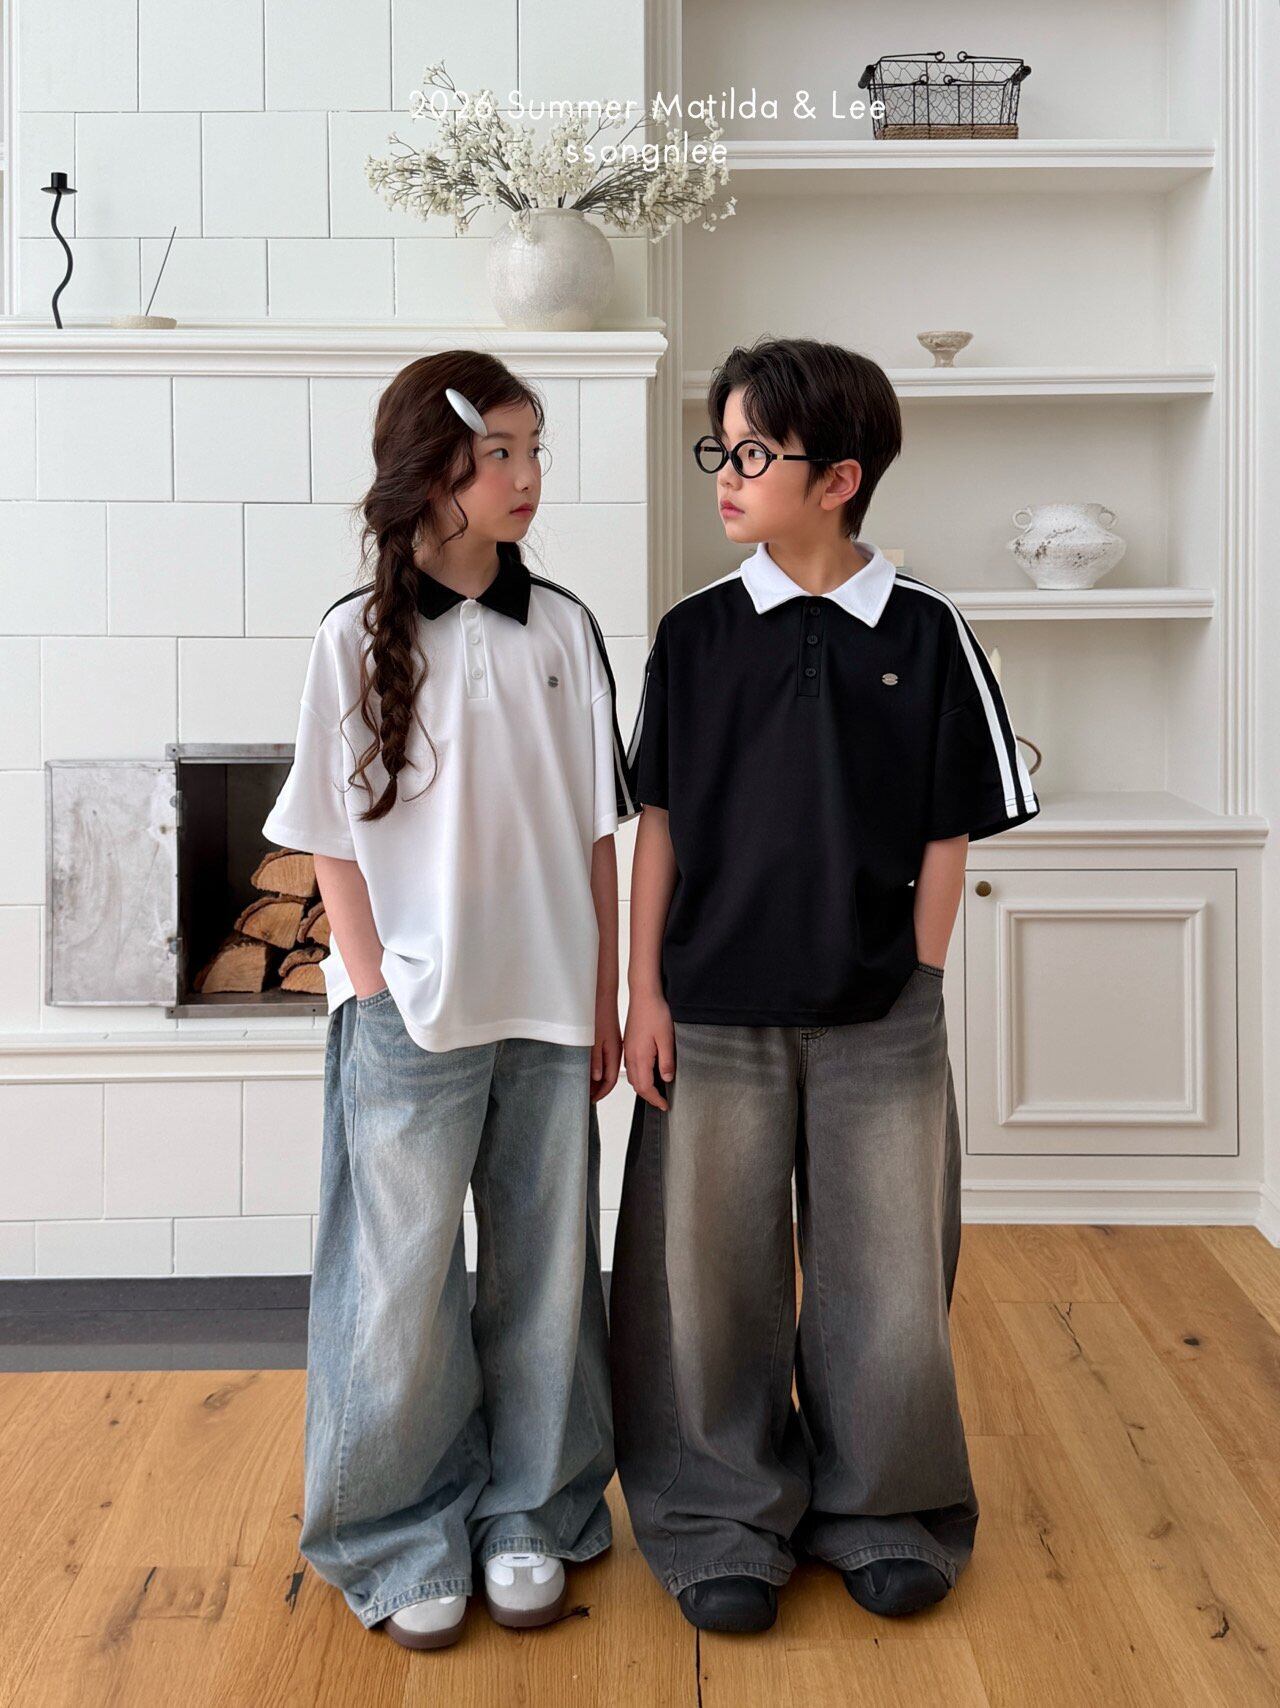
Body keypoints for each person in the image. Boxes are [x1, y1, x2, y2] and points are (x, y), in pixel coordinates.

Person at [611, 335, 1040, 1635]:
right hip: (712, 1011)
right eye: (722, 448)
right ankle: (718, 1517)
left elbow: (953, 828)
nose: (726, 475)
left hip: (879, 1018)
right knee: (706, 1281)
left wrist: (919, 976)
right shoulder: (693, 635)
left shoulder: (928, 631)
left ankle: (885, 1512)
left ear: (839, 478)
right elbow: (659, 825)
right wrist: (644, 994)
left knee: (889, 1278)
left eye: (754, 453)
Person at [262, 349, 635, 1649]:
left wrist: (603, 993)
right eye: (502, 455)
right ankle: (398, 1531)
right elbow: (327, 838)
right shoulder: (351, 638)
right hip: (407, 1014)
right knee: (399, 1286)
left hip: (548, 1009)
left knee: (544, 1270)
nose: (530, 479)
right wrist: (372, 986)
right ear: (434, 472)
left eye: (537, 452)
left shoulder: (565, 629)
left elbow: (598, 831)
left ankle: (533, 1510)